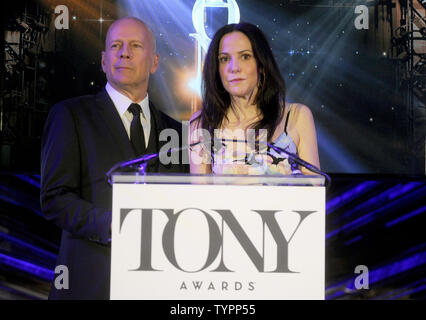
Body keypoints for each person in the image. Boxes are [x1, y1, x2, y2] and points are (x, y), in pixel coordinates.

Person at [40, 17, 188, 299]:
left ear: (154, 62)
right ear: (104, 60)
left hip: (158, 287)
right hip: (90, 284)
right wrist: (113, 224)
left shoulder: (177, 133)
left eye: (135, 45)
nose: (124, 53)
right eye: (116, 46)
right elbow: (55, 198)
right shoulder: (70, 115)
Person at [189, 22, 320, 175]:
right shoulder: (201, 124)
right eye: (224, 59)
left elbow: (314, 189)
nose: (234, 68)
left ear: (261, 65)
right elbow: (199, 194)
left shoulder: (297, 116)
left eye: (245, 57)